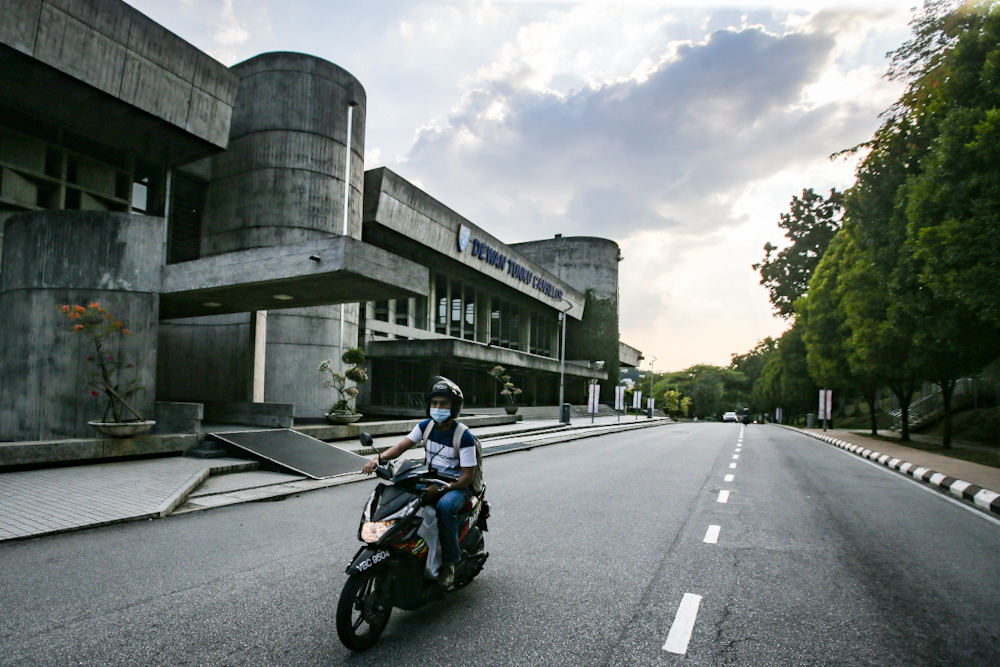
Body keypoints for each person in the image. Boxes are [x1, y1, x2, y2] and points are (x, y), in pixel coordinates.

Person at [361, 376, 478, 588]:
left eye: (443, 404)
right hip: (430, 478)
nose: (438, 407)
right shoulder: (426, 426)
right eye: (434, 403)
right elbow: (400, 447)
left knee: (443, 507)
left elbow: (467, 477)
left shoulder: (464, 436)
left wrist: (444, 489)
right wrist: (378, 459)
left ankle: (449, 564)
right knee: (400, 494)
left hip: (456, 486)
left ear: (454, 407)